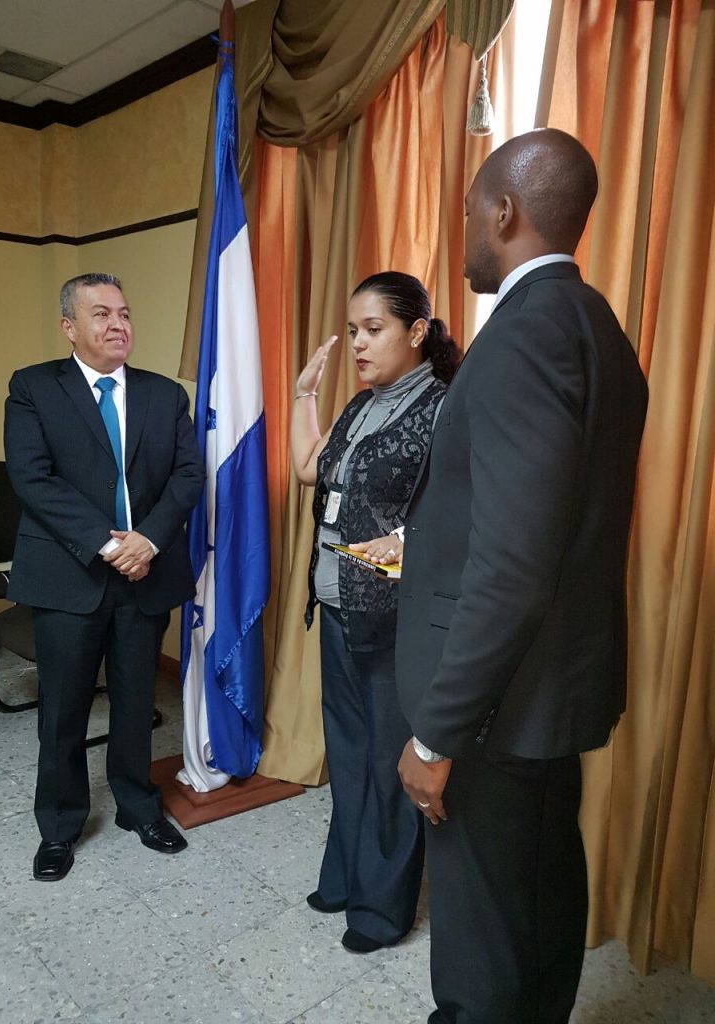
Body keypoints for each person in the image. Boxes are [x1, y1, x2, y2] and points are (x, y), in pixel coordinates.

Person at [395, 129, 648, 1023]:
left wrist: (436, 737)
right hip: (549, 693)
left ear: (503, 212)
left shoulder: (523, 337)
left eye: (469, 210)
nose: (463, 228)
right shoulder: (596, 326)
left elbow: (512, 566)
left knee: (481, 945)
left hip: (495, 708)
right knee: (539, 901)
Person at [4, 273, 205, 882]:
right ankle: (59, 826)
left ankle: (138, 807)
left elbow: (188, 476)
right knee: (63, 708)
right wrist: (107, 543)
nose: (118, 324)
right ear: (69, 327)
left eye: (124, 313)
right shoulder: (33, 388)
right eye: (101, 314)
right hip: (70, 573)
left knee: (136, 701)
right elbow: (33, 477)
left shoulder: (164, 395)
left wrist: (148, 540)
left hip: (147, 571)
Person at [292, 271, 460, 953]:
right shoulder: (362, 405)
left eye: (373, 329)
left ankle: (383, 909)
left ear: (416, 331)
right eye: (353, 331)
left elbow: (460, 517)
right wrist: (305, 394)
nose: (359, 343)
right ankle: (345, 877)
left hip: (395, 620)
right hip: (338, 608)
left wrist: (397, 547)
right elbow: (311, 469)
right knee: (348, 750)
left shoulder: (445, 407)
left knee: (389, 761)